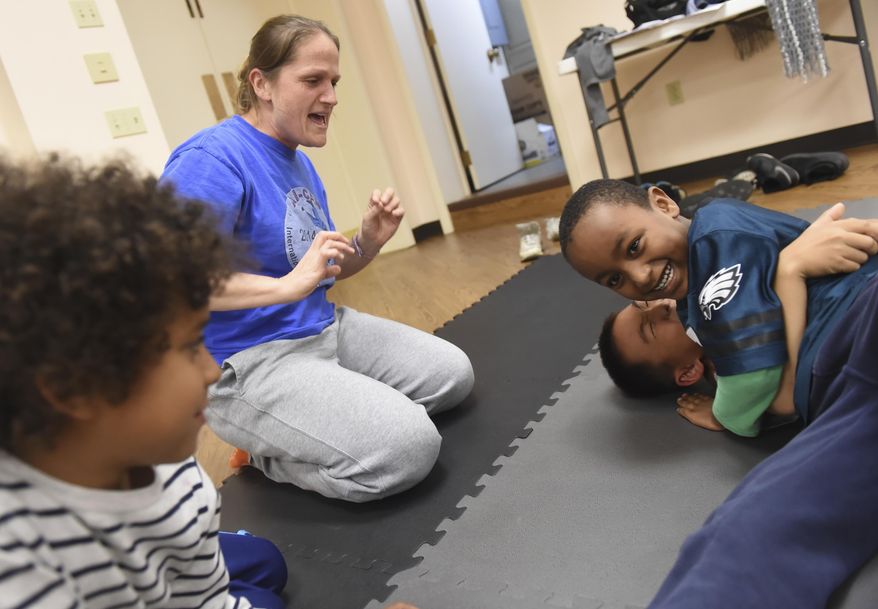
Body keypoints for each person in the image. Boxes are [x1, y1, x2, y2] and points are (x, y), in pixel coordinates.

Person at [160, 15, 474, 503]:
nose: (330, 96)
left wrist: (368, 241)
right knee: (409, 448)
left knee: (453, 376)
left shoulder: (300, 161)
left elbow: (321, 272)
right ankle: (268, 455)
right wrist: (287, 286)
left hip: (324, 331)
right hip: (249, 363)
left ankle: (326, 419)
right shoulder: (211, 158)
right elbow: (173, 282)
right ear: (261, 83)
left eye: (334, 81)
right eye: (312, 80)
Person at [0, 155, 287, 608]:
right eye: (192, 344)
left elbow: (209, 601)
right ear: (77, 386)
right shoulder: (17, 562)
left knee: (265, 562)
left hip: (151, 545)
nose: (213, 370)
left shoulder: (174, 472)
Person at [559, 179, 878, 436]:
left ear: (663, 203)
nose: (640, 278)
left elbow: (757, 380)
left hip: (851, 322)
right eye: (615, 280)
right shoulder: (694, 299)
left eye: (634, 247)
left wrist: (724, 414)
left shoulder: (715, 238)